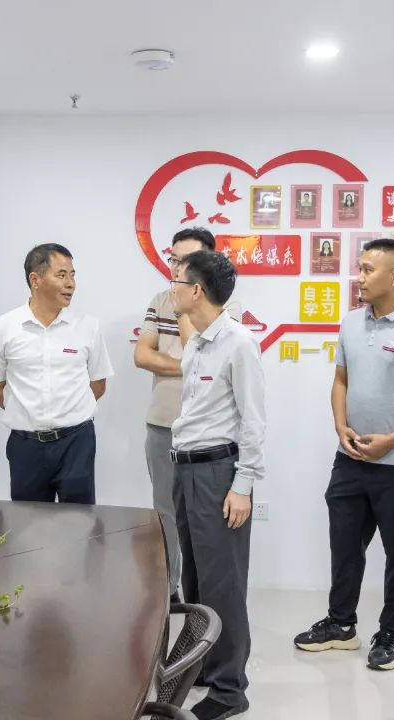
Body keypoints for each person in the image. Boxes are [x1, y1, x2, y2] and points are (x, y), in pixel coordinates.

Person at [294, 238, 394, 671]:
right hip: (350, 459)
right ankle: (341, 624)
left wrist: (392, 439)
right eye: (359, 268)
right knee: (344, 547)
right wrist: (340, 425)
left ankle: (392, 632)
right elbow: (340, 380)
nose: (358, 277)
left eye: (367, 269)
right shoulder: (350, 323)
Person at [168, 250, 263, 720]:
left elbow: (253, 421)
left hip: (217, 473)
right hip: (185, 469)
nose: (172, 287)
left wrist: (242, 485)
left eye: (177, 280)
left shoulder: (239, 343)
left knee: (223, 583)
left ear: (197, 290)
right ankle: (204, 666)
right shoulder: (197, 343)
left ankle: (229, 689)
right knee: (196, 578)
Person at [134, 227, 239, 602]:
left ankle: (204, 598)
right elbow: (142, 355)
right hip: (162, 422)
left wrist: (185, 308)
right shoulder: (159, 300)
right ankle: (169, 590)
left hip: (208, 435)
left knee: (204, 518)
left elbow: (194, 347)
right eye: (174, 259)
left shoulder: (227, 308)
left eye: (187, 261)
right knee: (165, 512)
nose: (177, 267)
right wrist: (188, 367)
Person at [0, 243, 113, 504]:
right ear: (35, 280)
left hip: (76, 442)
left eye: (72, 275)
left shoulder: (88, 327)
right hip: (25, 445)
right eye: (61, 275)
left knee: (79, 520)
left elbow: (98, 384)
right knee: (27, 522)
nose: (70, 284)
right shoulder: (3, 327)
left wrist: (68, 411)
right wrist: (26, 409)